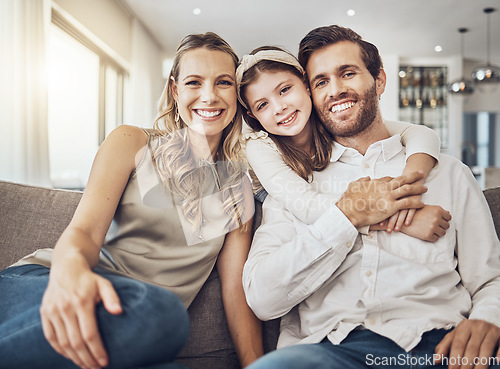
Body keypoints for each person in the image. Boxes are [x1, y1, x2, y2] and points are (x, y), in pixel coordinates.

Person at [0, 32, 263, 369]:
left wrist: (255, 364)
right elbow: (84, 232)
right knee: (163, 314)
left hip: (136, 326)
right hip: (50, 284)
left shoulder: (238, 189)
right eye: (194, 82)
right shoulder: (133, 142)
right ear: (175, 90)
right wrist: (69, 277)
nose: (209, 96)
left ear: (237, 96)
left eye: (223, 82)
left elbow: (235, 291)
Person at [243, 25, 500, 369]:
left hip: (441, 345)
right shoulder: (294, 188)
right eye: (321, 82)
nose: (335, 90)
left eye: (347, 73)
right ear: (311, 93)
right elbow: (263, 299)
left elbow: (489, 279)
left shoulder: (448, 173)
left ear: (379, 80)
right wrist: (346, 217)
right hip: (330, 348)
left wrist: (488, 318)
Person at [236, 46, 448, 239]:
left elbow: (419, 133)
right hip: (288, 205)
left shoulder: (331, 119)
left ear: (306, 84)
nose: (279, 107)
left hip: (331, 202)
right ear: (252, 115)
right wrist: (402, 221)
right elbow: (306, 205)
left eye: (284, 90)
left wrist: (410, 185)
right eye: (262, 105)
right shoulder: (259, 145)